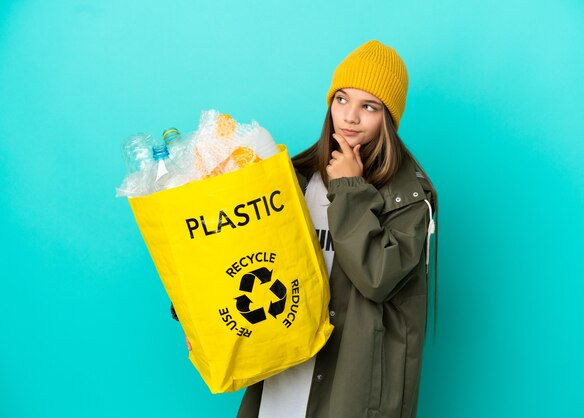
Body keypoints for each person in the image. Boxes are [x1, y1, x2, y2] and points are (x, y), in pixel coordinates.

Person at [172, 39, 438, 418]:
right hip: (285, 377)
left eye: (369, 107)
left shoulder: (408, 197)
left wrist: (349, 189)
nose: (350, 117)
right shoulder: (294, 178)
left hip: (352, 387)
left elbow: (378, 277)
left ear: (389, 119)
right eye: (342, 99)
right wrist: (199, 316)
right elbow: (241, 251)